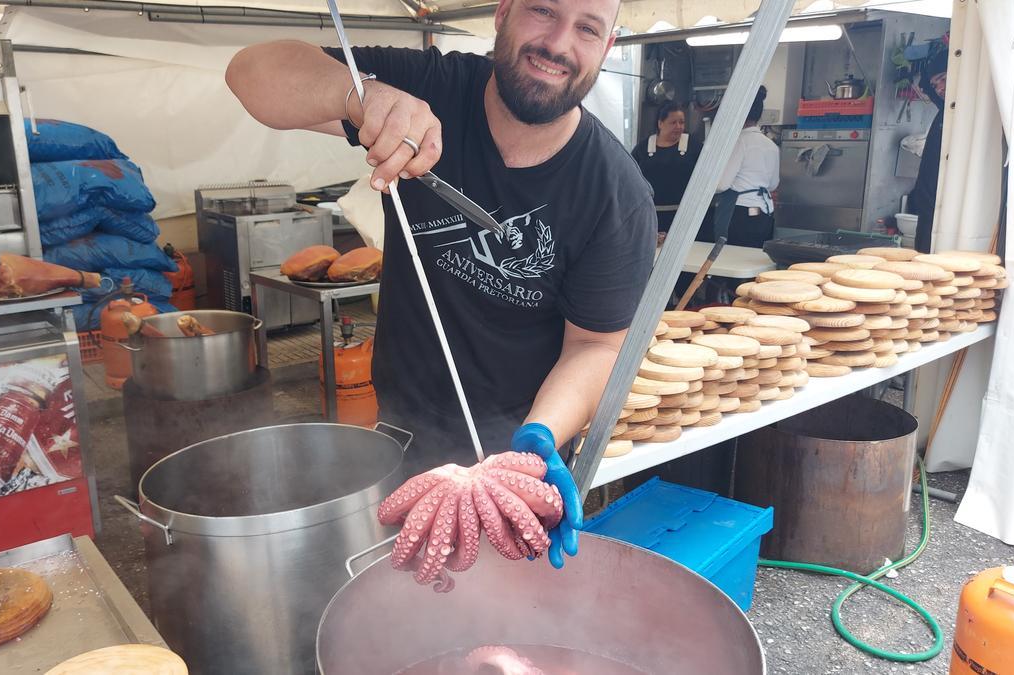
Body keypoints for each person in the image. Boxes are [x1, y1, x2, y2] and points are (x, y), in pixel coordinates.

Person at [227, 0, 656, 568]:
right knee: (405, 596)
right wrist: (365, 99)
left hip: (517, 449)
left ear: (608, 46)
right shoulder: (432, 86)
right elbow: (252, 73)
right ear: (502, 12)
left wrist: (540, 439)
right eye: (543, 11)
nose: (558, 44)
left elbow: (597, 346)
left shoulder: (615, 193)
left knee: (500, 617)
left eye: (586, 29)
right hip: (400, 423)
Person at [702, 86, 779, 249]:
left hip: (739, 213)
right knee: (753, 259)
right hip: (765, 212)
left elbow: (722, 184)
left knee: (730, 259)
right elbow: (773, 184)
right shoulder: (771, 145)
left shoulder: (739, 142)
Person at [631, 102, 702, 232]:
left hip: (684, 216)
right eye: (673, 122)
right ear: (660, 123)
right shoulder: (643, 147)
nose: (678, 127)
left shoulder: (694, 146)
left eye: (681, 122)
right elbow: (630, 178)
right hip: (651, 216)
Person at [909, 48, 949, 253]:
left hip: (943, 212)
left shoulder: (969, 112)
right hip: (927, 210)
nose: (939, 88)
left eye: (943, 79)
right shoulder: (944, 111)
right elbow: (926, 86)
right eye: (935, 85)